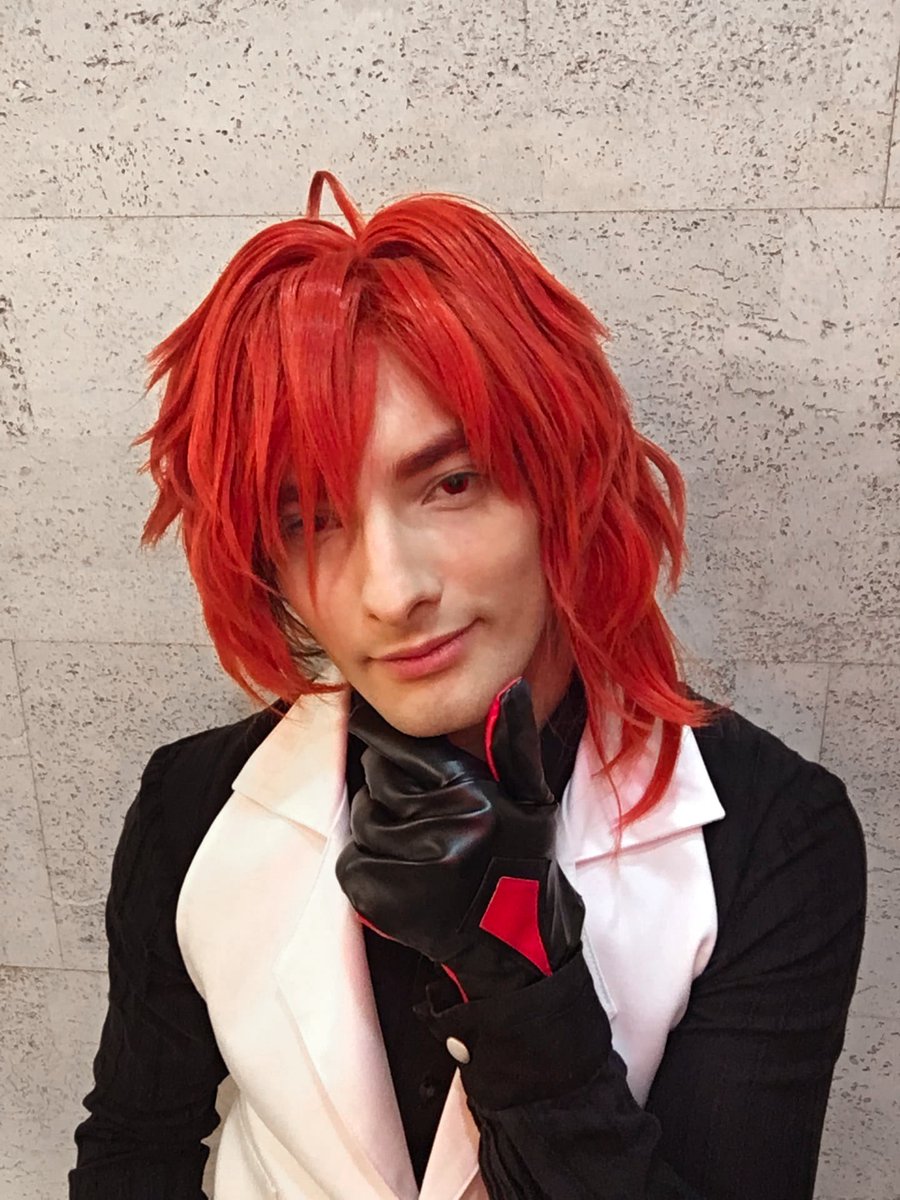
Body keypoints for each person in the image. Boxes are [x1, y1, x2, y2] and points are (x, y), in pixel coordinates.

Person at [69, 170, 867, 1199]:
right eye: (310, 521)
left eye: (452, 483)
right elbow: (134, 1149)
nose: (391, 591)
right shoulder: (192, 803)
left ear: (562, 483)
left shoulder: (771, 831)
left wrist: (518, 979)